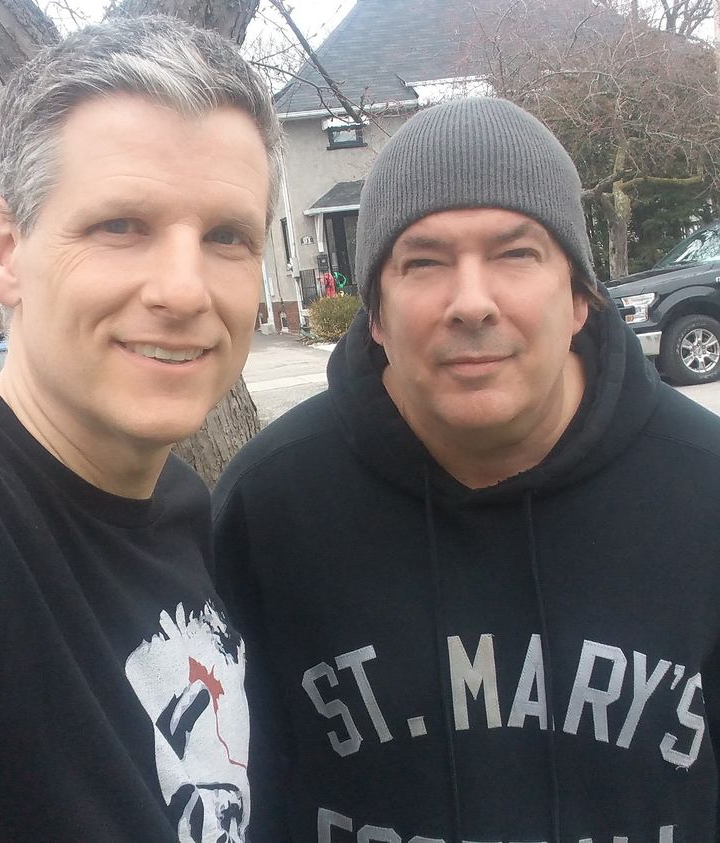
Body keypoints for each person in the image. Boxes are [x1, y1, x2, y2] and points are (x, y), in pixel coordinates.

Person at [213, 97, 720, 842]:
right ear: (375, 314)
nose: (472, 303)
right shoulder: (270, 506)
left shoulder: (703, 491)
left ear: (580, 296)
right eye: (424, 261)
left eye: (516, 254)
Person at [0, 15, 281, 841]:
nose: (183, 289)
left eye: (225, 236)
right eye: (120, 226)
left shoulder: (182, 512)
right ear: (5, 249)